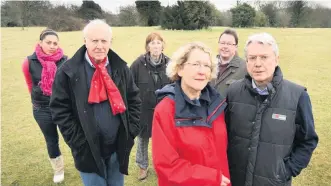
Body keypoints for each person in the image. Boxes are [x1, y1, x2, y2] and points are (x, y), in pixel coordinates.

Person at [49, 19, 141, 186]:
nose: (99, 46)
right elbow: (59, 110)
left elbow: (135, 100)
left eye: (104, 41)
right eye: (94, 40)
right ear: (85, 41)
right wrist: (78, 142)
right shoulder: (67, 72)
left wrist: (130, 131)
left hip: (117, 147)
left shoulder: (121, 68)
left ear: (110, 42)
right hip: (87, 150)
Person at [225, 33, 319, 186]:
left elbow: (308, 141)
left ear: (276, 59)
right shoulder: (233, 91)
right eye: (252, 58)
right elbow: (224, 134)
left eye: (264, 57)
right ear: (246, 61)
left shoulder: (297, 96)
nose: (257, 63)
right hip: (236, 179)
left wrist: (285, 171)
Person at [152, 42, 231, 186]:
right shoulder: (165, 110)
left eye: (207, 66)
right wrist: (212, 178)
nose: (202, 71)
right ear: (180, 69)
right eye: (196, 64)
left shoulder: (217, 105)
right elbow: (167, 166)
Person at [22, 28, 67, 183]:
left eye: (55, 43)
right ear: (40, 43)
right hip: (41, 108)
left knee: (72, 137)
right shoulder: (29, 62)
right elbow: (30, 84)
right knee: (51, 139)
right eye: (48, 42)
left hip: (62, 107)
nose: (52, 46)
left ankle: (83, 163)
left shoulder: (65, 61)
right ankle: (58, 169)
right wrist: (37, 100)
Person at [130, 32, 170, 180]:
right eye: (152, 43)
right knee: (142, 139)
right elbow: (129, 86)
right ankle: (142, 166)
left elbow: (175, 86)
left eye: (158, 43)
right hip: (143, 110)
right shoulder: (137, 64)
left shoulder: (170, 64)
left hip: (164, 111)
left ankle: (163, 166)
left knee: (163, 141)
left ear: (163, 45)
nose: (156, 46)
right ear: (147, 46)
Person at [211, 29, 246, 98]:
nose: (225, 46)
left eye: (229, 44)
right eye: (222, 43)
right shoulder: (209, 64)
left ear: (236, 47)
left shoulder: (245, 68)